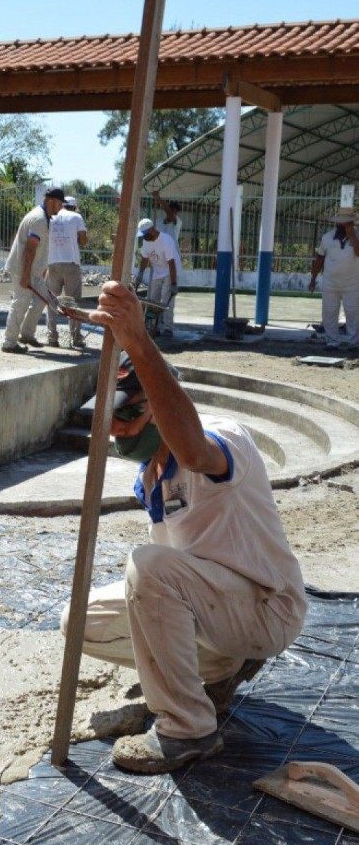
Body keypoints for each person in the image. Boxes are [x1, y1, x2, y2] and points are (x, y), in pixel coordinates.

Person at [60, 280, 306, 774]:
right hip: (219, 605)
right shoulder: (149, 479)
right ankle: (209, 675)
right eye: (111, 421)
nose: (118, 430)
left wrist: (138, 342)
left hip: (265, 607)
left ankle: (187, 727)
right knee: (78, 620)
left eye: (130, 415)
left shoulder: (221, 441)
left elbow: (192, 446)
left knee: (149, 568)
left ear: (162, 404)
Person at [2, 187, 66, 353]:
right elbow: (30, 249)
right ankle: (9, 343)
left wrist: (41, 270)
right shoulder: (38, 220)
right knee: (20, 303)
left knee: (42, 298)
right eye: (59, 203)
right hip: (23, 269)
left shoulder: (43, 217)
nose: (60, 207)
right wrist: (25, 276)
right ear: (50, 201)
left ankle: (27, 334)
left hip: (34, 271)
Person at [309, 207, 359, 351]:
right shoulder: (327, 237)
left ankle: (354, 343)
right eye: (341, 223)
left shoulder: (358, 235)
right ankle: (332, 342)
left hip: (353, 283)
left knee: (354, 313)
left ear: (351, 223)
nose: (344, 226)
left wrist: (352, 236)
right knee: (329, 312)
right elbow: (319, 259)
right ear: (337, 224)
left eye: (347, 223)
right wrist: (313, 278)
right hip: (330, 283)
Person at [46, 195, 88, 349]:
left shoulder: (51, 217)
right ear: (74, 207)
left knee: (51, 301)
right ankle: (76, 338)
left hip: (53, 263)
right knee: (74, 302)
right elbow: (83, 241)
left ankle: (52, 337)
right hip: (71, 263)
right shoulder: (77, 217)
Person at [135, 218, 179, 339]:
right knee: (152, 300)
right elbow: (144, 258)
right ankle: (153, 328)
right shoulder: (146, 241)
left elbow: (171, 263)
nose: (143, 237)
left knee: (166, 301)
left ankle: (168, 329)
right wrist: (140, 274)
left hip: (171, 271)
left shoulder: (166, 240)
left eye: (145, 234)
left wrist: (174, 283)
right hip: (157, 272)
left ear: (152, 230)